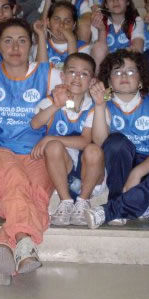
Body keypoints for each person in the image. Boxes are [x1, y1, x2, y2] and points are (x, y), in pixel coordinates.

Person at [0, 18, 63, 285]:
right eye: (8, 41)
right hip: (0, 150)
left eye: (22, 40)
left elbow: (75, 99)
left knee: (37, 194)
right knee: (17, 182)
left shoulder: (49, 74)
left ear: (31, 45)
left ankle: (5, 250)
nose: (15, 47)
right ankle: (23, 240)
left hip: (36, 152)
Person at [85, 49, 149, 228]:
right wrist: (99, 105)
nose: (124, 76)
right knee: (116, 143)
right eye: (117, 72)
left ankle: (121, 207)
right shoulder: (104, 102)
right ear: (109, 81)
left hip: (146, 166)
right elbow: (100, 142)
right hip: (117, 165)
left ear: (141, 80)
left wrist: (137, 172)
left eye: (131, 71)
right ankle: (129, 202)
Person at [31, 53, 105, 225]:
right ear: (63, 76)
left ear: (92, 80)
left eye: (84, 74)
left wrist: (50, 138)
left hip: (89, 169)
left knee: (93, 149)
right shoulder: (52, 100)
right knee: (53, 147)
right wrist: (57, 105)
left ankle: (83, 201)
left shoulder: (94, 105)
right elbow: (35, 123)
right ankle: (66, 201)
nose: (77, 78)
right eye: (72, 72)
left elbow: (85, 141)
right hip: (63, 166)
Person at [91, 0, 145, 68]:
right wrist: (102, 30)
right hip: (106, 67)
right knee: (98, 48)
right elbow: (99, 53)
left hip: (128, 66)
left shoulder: (136, 21)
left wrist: (114, 57)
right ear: (106, 5)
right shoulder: (98, 21)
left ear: (127, 2)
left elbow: (138, 49)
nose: (115, 0)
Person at [34, 0, 88, 66]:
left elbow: (74, 69)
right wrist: (41, 36)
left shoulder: (83, 47)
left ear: (74, 26)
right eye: (57, 19)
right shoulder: (41, 46)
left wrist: (71, 40)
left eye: (67, 21)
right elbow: (40, 69)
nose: (62, 24)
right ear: (48, 22)